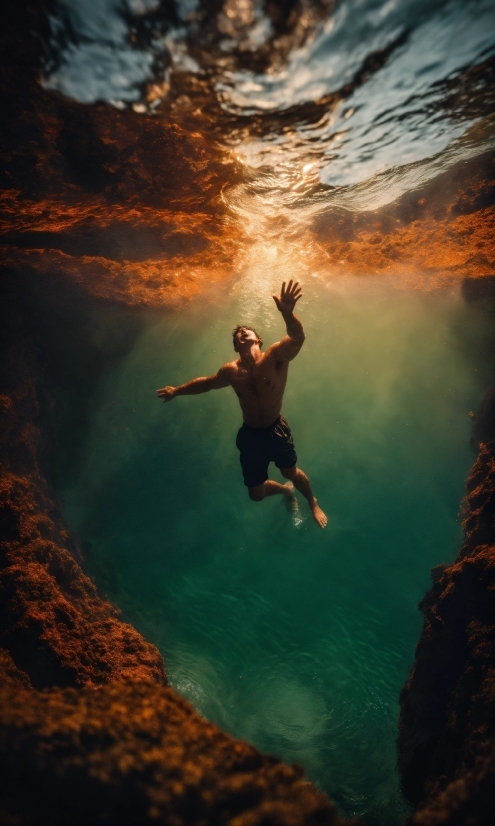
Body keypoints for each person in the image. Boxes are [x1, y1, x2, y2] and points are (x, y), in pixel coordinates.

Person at [156, 281, 327, 527]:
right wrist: (176, 391)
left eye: (247, 332)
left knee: (290, 470)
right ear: (236, 346)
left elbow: (298, 337)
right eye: (238, 335)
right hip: (250, 435)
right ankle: (286, 491)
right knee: (255, 494)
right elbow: (206, 383)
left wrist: (288, 314)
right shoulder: (231, 371)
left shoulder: (276, 356)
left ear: (259, 339)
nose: (242, 333)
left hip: (276, 428)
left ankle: (312, 500)